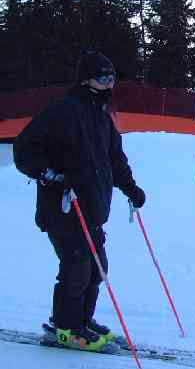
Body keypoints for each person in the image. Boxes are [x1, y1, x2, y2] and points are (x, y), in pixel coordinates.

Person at [13, 51, 146, 351]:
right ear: (86, 80)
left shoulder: (102, 117)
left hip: (91, 208)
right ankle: (65, 329)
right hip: (63, 207)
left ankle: (81, 321)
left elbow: (115, 159)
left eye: (112, 78)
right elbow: (24, 149)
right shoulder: (62, 111)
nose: (109, 84)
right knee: (77, 269)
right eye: (103, 77)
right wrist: (52, 175)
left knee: (97, 268)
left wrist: (131, 188)